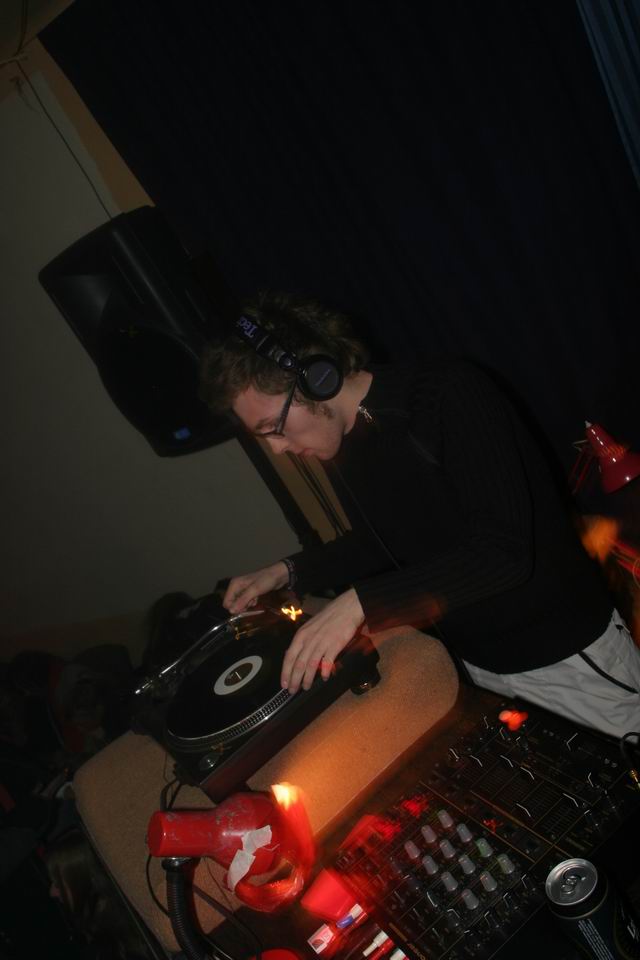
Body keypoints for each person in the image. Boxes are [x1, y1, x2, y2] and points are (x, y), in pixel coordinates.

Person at [199, 293, 640, 739]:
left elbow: (504, 553)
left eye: (273, 428)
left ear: (316, 380)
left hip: (567, 658)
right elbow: (381, 540)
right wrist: (286, 572)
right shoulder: (341, 441)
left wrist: (361, 604)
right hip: (478, 667)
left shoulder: (450, 394)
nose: (277, 448)